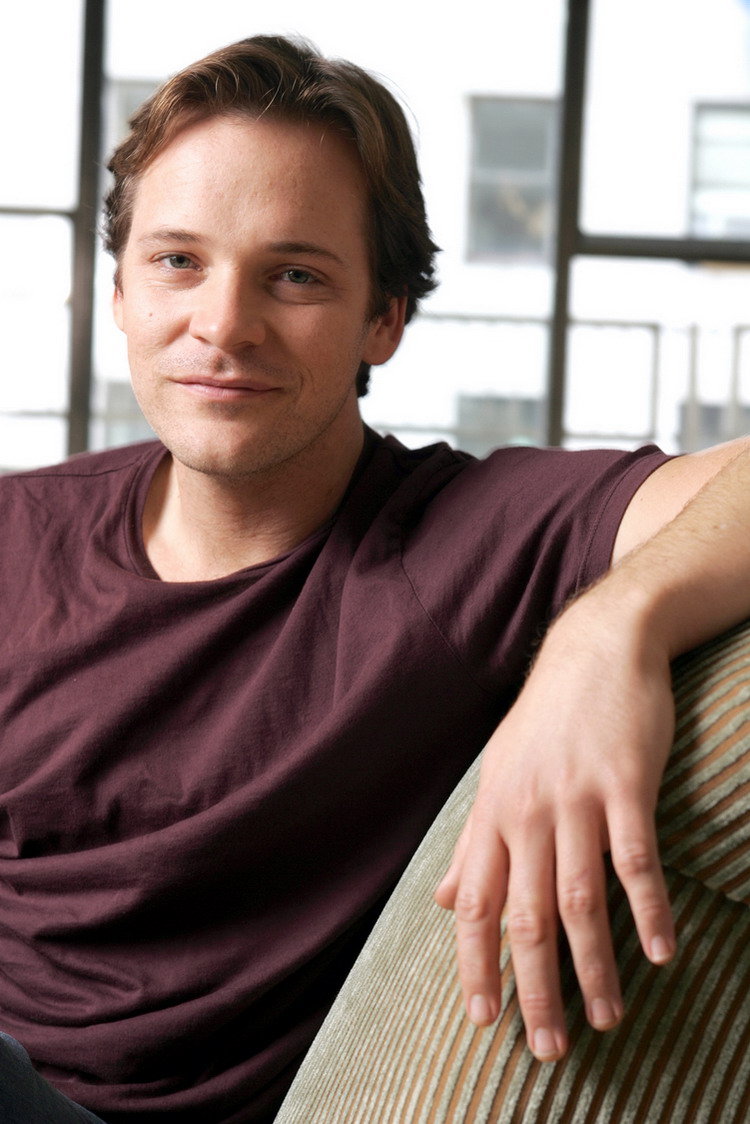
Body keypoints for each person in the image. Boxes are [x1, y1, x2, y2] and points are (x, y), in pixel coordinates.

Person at [1, 32, 749, 1124]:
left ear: (384, 317)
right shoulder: (16, 537)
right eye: (177, 261)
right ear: (117, 290)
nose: (223, 324)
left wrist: (611, 627)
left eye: (295, 275)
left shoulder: (463, 539)